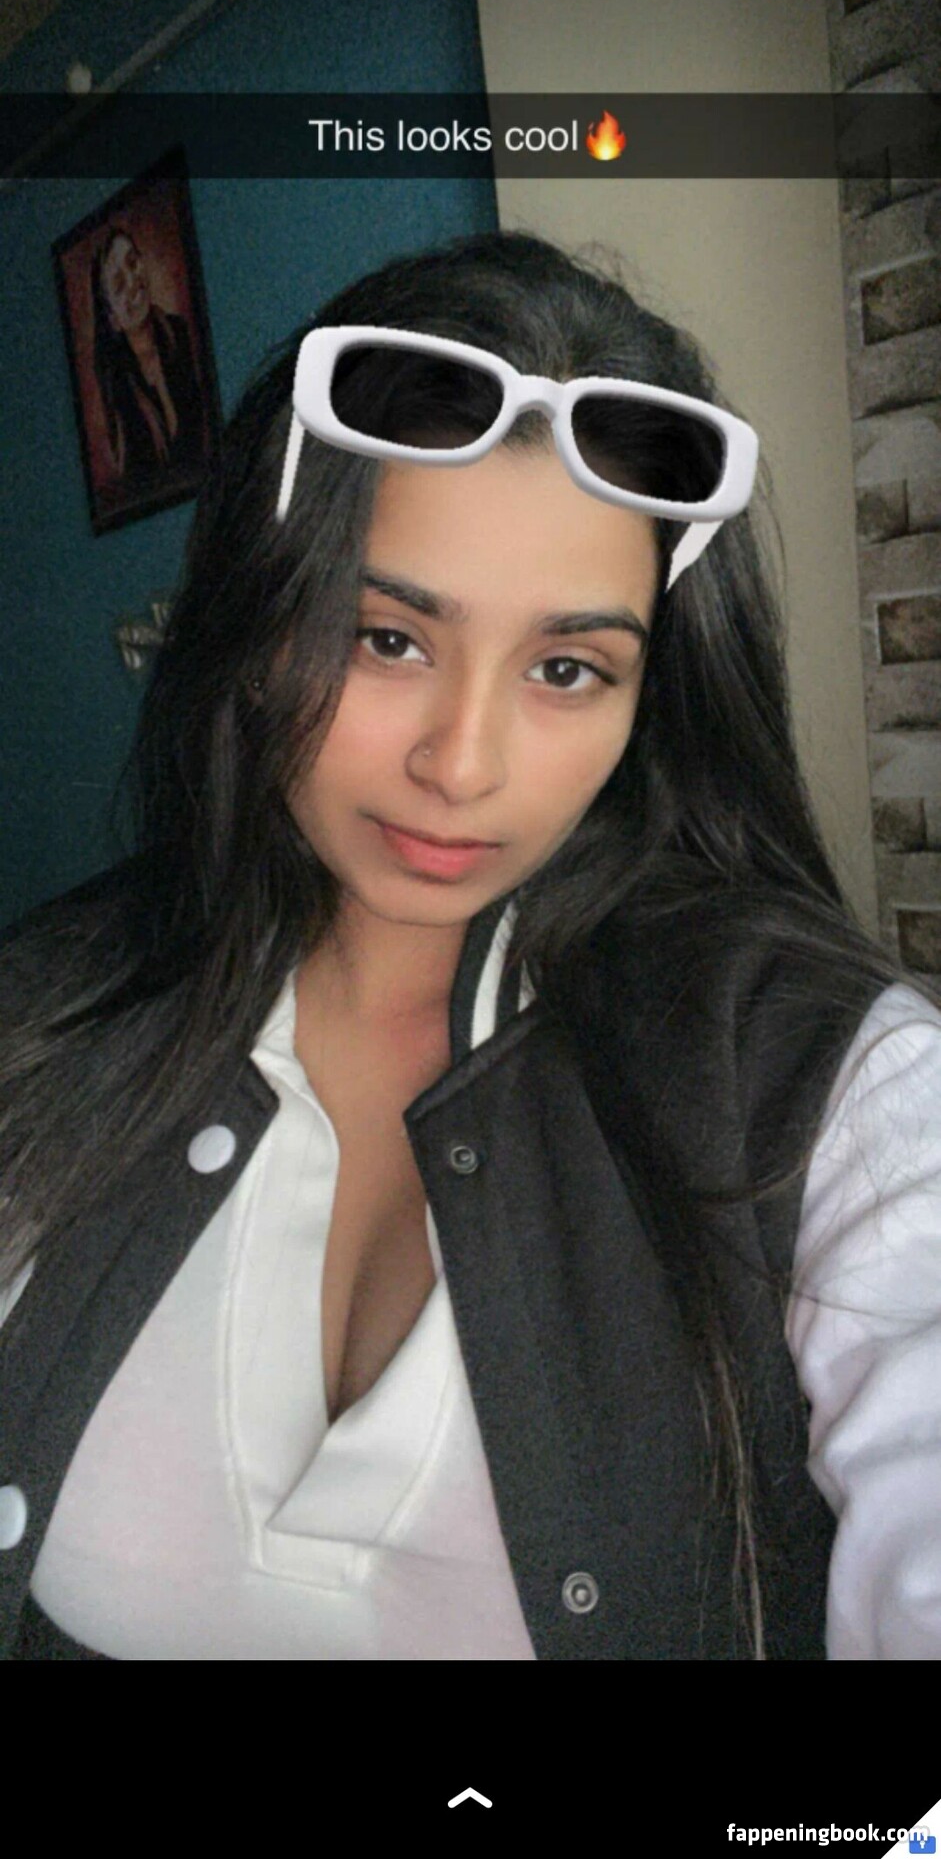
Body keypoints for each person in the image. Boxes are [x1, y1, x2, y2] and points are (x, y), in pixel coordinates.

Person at [1, 228, 940, 1662]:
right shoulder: (53, 1014)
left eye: (566, 668)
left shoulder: (819, 1082)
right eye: (386, 638)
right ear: (257, 620)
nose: (462, 764)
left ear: (648, 693)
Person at [90, 224, 206, 491]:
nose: (133, 283)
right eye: (119, 285)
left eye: (133, 263)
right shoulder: (117, 382)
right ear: (113, 319)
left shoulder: (179, 334)